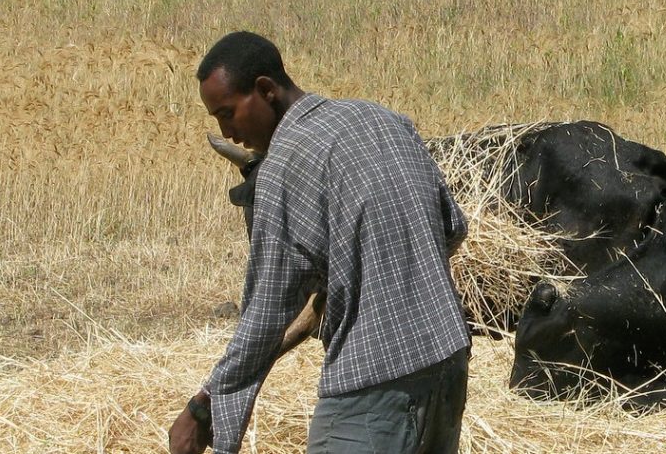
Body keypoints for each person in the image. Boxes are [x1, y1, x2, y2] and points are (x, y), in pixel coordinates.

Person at [168, 31, 472, 454]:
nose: (227, 130)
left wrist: (206, 406)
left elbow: (266, 315)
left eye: (228, 112)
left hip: (373, 386)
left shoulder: (283, 168)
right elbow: (453, 227)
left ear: (265, 90)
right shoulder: (387, 121)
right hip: (448, 362)